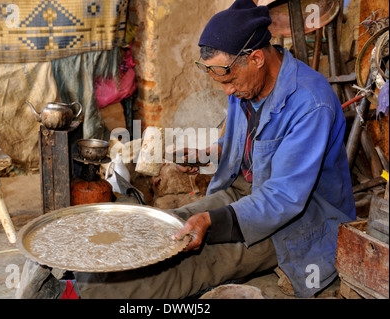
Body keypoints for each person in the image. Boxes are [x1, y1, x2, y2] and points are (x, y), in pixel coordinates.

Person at [18, 0, 356, 299]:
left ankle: (75, 294)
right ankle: (79, 273)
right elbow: (252, 143)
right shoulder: (246, 84)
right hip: (245, 195)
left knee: (191, 261)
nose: (227, 91)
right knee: (160, 226)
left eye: (228, 81)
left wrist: (212, 220)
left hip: (296, 219)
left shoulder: (311, 104)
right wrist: (209, 152)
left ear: (255, 59)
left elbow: (283, 199)